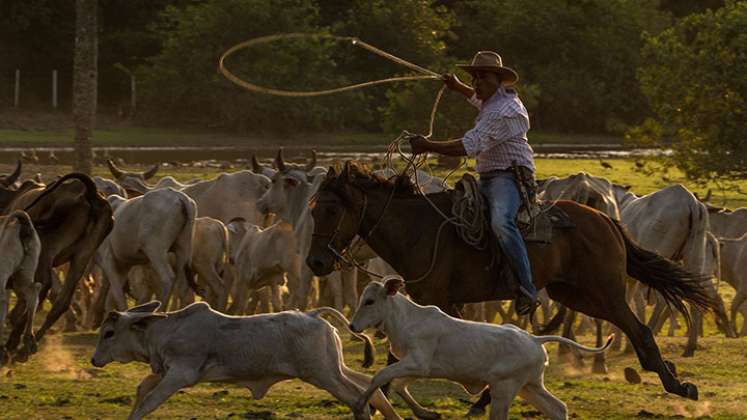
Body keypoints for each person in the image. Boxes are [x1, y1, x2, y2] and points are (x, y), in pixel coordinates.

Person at [408, 51, 537, 315]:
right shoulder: (493, 102)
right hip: (487, 177)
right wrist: (458, 88)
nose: (477, 83)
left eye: (483, 77)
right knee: (455, 218)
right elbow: (479, 101)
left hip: (510, 177)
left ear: (498, 81)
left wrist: (427, 145)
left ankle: (527, 288)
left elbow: (470, 145)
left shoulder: (505, 111)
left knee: (501, 222)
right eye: (474, 77)